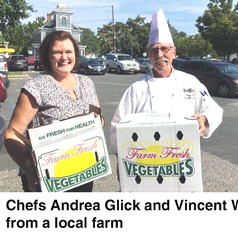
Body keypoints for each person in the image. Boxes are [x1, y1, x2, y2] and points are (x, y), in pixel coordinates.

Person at [109, 9, 223, 153]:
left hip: (183, 155)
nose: (159, 55)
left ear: (174, 52)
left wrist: (204, 118)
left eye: (164, 49)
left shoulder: (190, 82)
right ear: (149, 55)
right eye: (154, 50)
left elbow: (214, 109)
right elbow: (117, 125)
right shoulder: (136, 88)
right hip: (146, 158)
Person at [4, 31, 104, 192]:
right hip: (48, 176)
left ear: (76, 55)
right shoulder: (35, 88)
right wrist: (30, 170)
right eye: (57, 52)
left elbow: (98, 119)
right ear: (47, 56)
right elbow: (11, 134)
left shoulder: (87, 82)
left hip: (83, 169)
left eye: (69, 52)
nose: (64, 57)